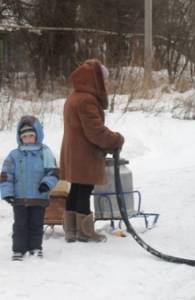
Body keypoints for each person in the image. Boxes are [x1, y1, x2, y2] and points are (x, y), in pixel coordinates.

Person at [60, 59, 124, 243]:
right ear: (94, 80)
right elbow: (95, 131)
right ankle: (85, 232)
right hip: (84, 154)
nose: (105, 84)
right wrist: (116, 139)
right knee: (84, 190)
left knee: (76, 189)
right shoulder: (86, 99)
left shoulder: (74, 96)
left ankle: (71, 230)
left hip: (74, 152)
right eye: (103, 79)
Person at [1, 115, 58, 261]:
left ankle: (35, 247)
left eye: (31, 135)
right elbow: (6, 175)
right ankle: (19, 249)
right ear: (20, 138)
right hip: (19, 198)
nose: (28, 139)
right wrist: (7, 192)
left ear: (37, 135)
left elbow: (52, 172)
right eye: (24, 136)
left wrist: (46, 184)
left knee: (36, 224)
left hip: (39, 197)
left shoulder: (44, 153)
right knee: (20, 225)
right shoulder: (14, 155)